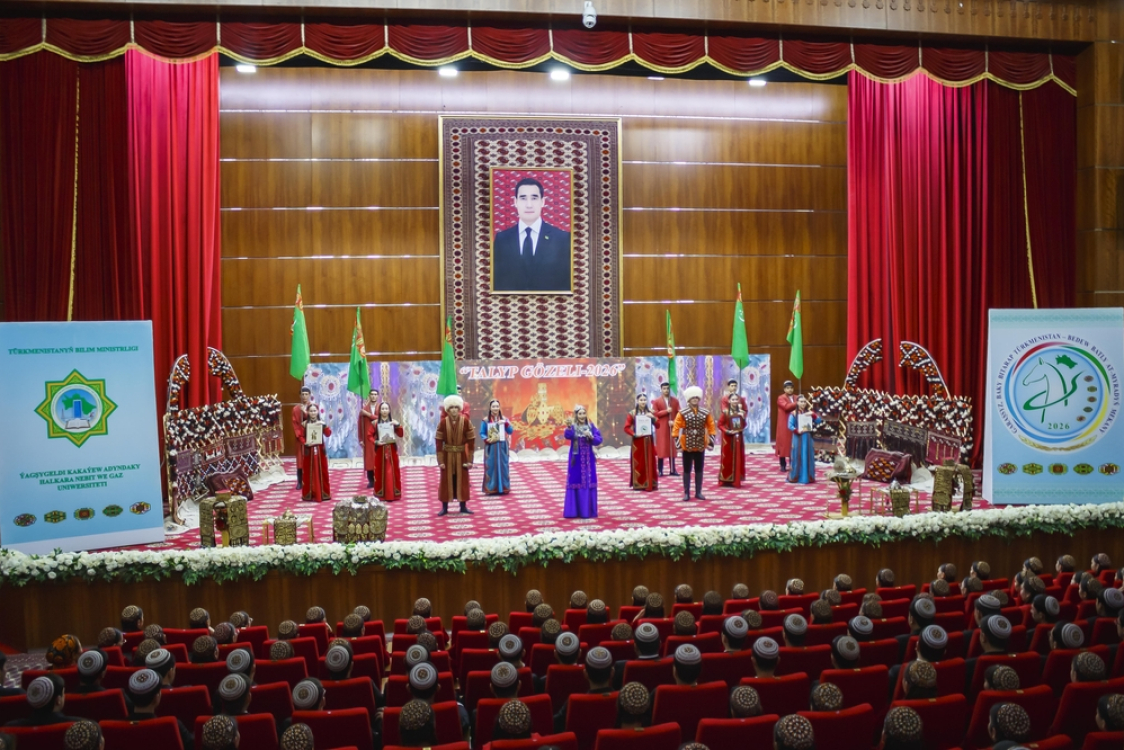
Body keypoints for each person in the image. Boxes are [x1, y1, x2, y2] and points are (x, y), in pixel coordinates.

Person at [492, 176, 572, 293]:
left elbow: (567, 284)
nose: (529, 205)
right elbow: (496, 282)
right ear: (515, 202)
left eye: (534, 198)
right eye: (523, 198)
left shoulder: (562, 239)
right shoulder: (502, 239)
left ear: (542, 202)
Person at [672, 385, 716, 502]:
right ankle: (686, 493)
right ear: (689, 399)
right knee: (687, 469)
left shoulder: (705, 412)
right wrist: (678, 445)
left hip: (700, 444)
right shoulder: (682, 413)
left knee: (699, 469)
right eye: (693, 398)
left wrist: (711, 443)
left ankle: (698, 492)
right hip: (686, 444)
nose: (695, 399)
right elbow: (675, 430)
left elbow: (711, 427)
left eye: (696, 397)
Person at [436, 394, 475, 516]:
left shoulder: (466, 422)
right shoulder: (443, 423)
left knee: (462, 480)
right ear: (447, 410)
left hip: (461, 455)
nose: (453, 410)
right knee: (445, 481)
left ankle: (463, 506)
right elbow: (438, 442)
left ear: (459, 409)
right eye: (451, 407)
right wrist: (440, 461)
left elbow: (471, 441)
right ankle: (444, 508)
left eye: (456, 407)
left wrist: (470, 460)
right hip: (447, 455)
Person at [563, 405, 603, 518]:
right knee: (576, 480)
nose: (582, 416)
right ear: (576, 415)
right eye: (579, 414)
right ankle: (573, 511)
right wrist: (569, 427)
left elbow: (599, 440)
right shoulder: (573, 427)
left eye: (583, 413)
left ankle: (588, 511)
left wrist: (591, 437)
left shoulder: (590, 426)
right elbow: (568, 435)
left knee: (589, 481)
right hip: (576, 460)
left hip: (589, 460)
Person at [367, 402, 403, 501]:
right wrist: (376, 442)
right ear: (379, 411)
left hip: (391, 450)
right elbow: (369, 435)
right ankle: (381, 494)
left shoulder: (393, 422)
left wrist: (398, 425)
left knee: (393, 471)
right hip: (380, 451)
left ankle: (393, 494)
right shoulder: (375, 423)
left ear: (389, 410)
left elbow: (401, 434)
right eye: (382, 409)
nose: (384, 411)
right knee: (380, 471)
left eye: (386, 408)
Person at [624, 394, 658, 491]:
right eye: (641, 400)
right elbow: (626, 428)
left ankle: (650, 483)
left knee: (650, 462)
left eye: (644, 400)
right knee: (639, 463)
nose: (643, 402)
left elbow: (658, 425)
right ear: (637, 401)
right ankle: (639, 483)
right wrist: (634, 434)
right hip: (638, 441)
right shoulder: (632, 413)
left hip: (648, 441)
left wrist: (653, 418)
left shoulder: (651, 412)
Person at [479, 399, 514, 495]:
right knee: (490, 466)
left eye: (497, 406)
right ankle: (491, 488)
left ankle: (504, 487)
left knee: (504, 466)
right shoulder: (485, 420)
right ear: (490, 408)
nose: (495, 408)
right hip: (491, 447)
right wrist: (487, 439)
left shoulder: (504, 419)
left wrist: (505, 423)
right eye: (493, 406)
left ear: (499, 407)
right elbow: (482, 433)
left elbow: (511, 431)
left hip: (502, 447)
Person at [299, 403, 331, 502]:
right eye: (311, 411)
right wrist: (305, 442)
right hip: (309, 451)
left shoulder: (321, 423)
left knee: (322, 471)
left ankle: (323, 493)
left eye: (314, 411)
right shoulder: (304, 424)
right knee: (308, 472)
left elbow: (328, 434)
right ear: (308, 412)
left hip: (320, 450)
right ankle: (309, 493)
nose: (313, 413)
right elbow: (300, 436)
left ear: (317, 412)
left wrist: (324, 425)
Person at [787, 395, 821, 484]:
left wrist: (813, 415)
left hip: (808, 437)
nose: (803, 403)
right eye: (801, 401)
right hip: (798, 437)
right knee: (797, 455)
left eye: (804, 401)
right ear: (797, 403)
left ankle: (808, 477)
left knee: (808, 455)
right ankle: (796, 476)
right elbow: (790, 425)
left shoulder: (809, 413)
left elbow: (819, 421)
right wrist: (796, 430)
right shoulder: (794, 413)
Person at [651, 381, 680, 477]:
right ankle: (660, 470)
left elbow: (679, 414)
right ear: (661, 390)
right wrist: (666, 411)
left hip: (672, 427)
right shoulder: (657, 401)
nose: (666, 390)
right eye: (664, 389)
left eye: (667, 388)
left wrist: (674, 421)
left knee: (672, 448)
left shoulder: (675, 401)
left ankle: (673, 469)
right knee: (661, 448)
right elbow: (655, 414)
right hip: (661, 427)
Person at [718, 393, 747, 487]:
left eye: (736, 399)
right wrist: (727, 431)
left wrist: (743, 418)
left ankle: (736, 479)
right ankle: (726, 479)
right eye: (733, 400)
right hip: (728, 439)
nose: (735, 401)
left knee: (739, 457)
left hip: (738, 438)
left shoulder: (741, 412)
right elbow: (720, 425)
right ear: (729, 401)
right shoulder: (726, 412)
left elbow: (744, 425)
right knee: (727, 458)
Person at [359, 388, 381, 489]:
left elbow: (380, 419)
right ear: (369, 396)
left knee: (378, 458)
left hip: (379, 436)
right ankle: (371, 480)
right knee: (369, 459)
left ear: (378, 396)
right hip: (367, 438)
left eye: (375, 394)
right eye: (372, 394)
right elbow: (360, 425)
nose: (373, 396)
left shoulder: (381, 408)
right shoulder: (364, 409)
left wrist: (368, 414)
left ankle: (379, 479)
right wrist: (360, 439)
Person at [775, 380, 799, 473]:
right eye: (788, 388)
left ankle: (793, 464)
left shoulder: (797, 397)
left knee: (794, 444)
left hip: (795, 423)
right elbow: (786, 407)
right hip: (784, 424)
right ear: (784, 389)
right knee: (783, 445)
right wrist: (797, 403)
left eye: (791, 388)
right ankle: (783, 464)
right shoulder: (781, 398)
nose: (790, 390)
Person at [292, 386, 311, 489]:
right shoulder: (295, 409)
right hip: (300, 438)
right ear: (300, 396)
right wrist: (300, 437)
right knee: (300, 461)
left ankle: (311, 480)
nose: (304, 396)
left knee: (311, 459)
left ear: (309, 395)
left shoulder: (313, 407)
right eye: (302, 394)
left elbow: (314, 420)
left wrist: (305, 412)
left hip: (311, 437)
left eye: (306, 394)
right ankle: (300, 481)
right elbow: (295, 424)